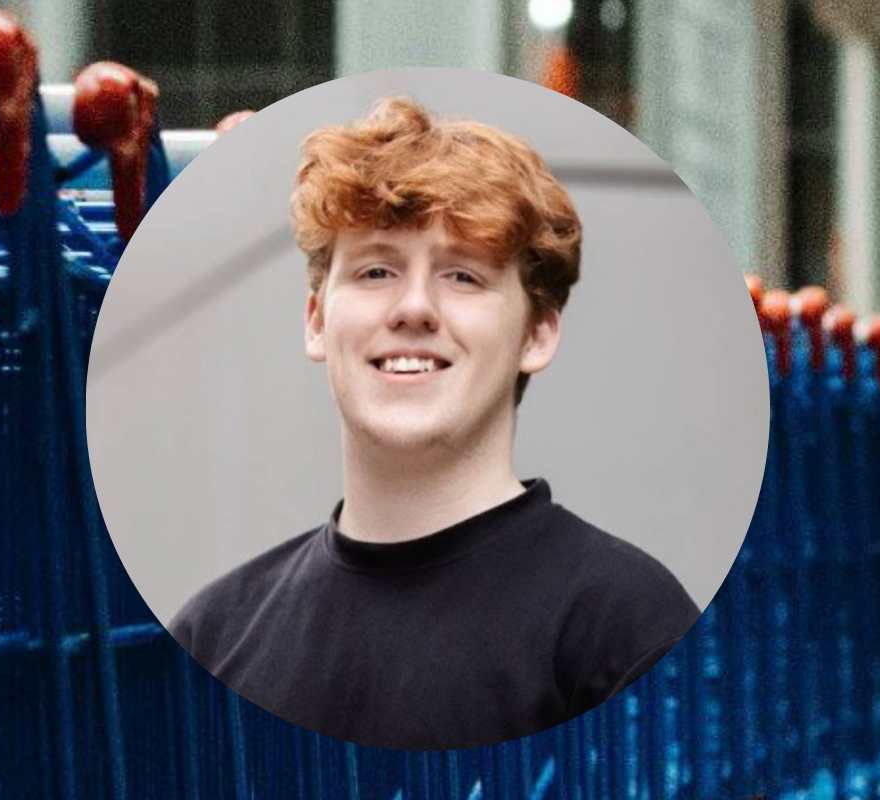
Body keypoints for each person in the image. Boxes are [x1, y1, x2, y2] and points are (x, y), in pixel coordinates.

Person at [167, 97, 700, 750]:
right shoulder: (214, 633)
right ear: (315, 320)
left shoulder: (629, 629)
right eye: (376, 270)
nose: (414, 307)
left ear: (537, 333)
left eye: (463, 277)